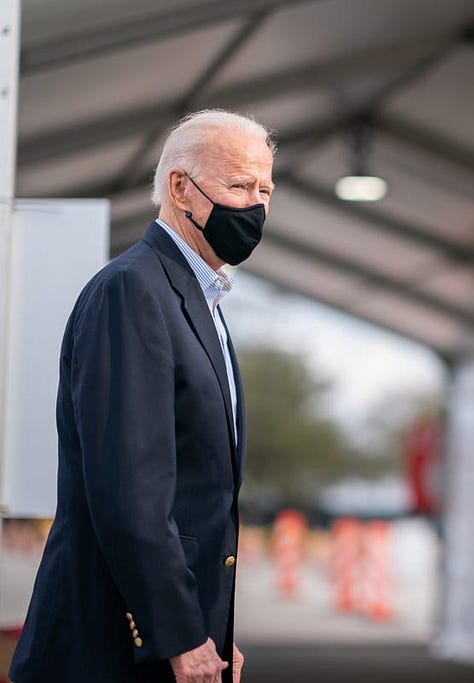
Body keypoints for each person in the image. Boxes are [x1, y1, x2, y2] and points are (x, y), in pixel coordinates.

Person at [10, 109, 275, 683]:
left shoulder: (199, 301)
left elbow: (198, 493)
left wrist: (212, 629)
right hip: (112, 649)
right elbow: (129, 488)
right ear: (181, 188)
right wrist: (179, 633)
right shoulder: (133, 291)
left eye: (265, 189)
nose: (255, 204)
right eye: (238, 185)